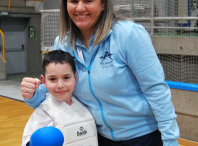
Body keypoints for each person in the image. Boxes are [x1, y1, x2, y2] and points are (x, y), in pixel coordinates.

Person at [21, 0, 180, 145]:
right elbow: (59, 93)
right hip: (98, 138)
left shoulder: (128, 34)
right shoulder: (63, 43)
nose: (80, 7)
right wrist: (33, 93)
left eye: (88, 0)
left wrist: (170, 140)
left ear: (103, 4)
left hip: (142, 137)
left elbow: (156, 89)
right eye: (74, 1)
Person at [22, 50, 98, 146]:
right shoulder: (43, 113)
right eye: (53, 79)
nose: (60, 85)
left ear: (75, 78)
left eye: (66, 77)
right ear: (44, 81)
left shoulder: (85, 104)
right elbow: (28, 140)